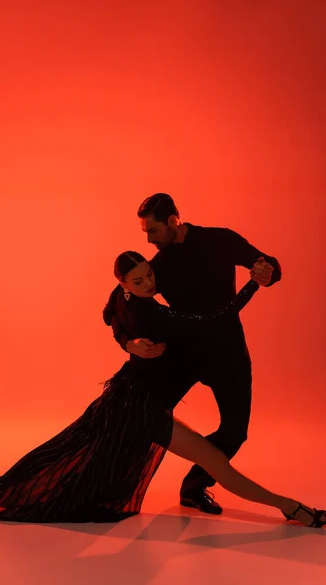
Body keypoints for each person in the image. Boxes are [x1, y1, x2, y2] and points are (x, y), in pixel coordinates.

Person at [0, 252, 326, 529]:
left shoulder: (122, 298)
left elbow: (109, 317)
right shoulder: (155, 313)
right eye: (139, 281)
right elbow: (216, 320)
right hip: (140, 406)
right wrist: (253, 284)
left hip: (124, 394)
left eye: (149, 274)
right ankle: (293, 509)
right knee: (217, 465)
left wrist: (126, 340)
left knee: (66, 447)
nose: (149, 283)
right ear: (125, 284)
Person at [107, 193, 282, 515]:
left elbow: (268, 263)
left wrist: (266, 272)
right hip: (180, 356)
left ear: (173, 221)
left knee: (235, 431)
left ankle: (194, 487)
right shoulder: (157, 265)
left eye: (152, 231)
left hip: (227, 353)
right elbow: (115, 305)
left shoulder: (221, 239)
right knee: (141, 417)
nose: (148, 239)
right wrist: (129, 343)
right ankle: (109, 484)